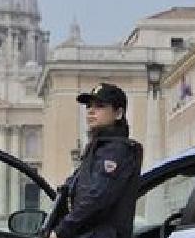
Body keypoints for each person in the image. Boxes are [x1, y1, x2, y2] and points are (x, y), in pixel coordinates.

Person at [52, 83, 143, 238]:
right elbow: (73, 190)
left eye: (100, 106)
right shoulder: (98, 148)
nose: (91, 111)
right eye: (88, 106)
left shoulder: (117, 150)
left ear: (118, 113)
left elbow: (97, 198)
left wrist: (62, 230)